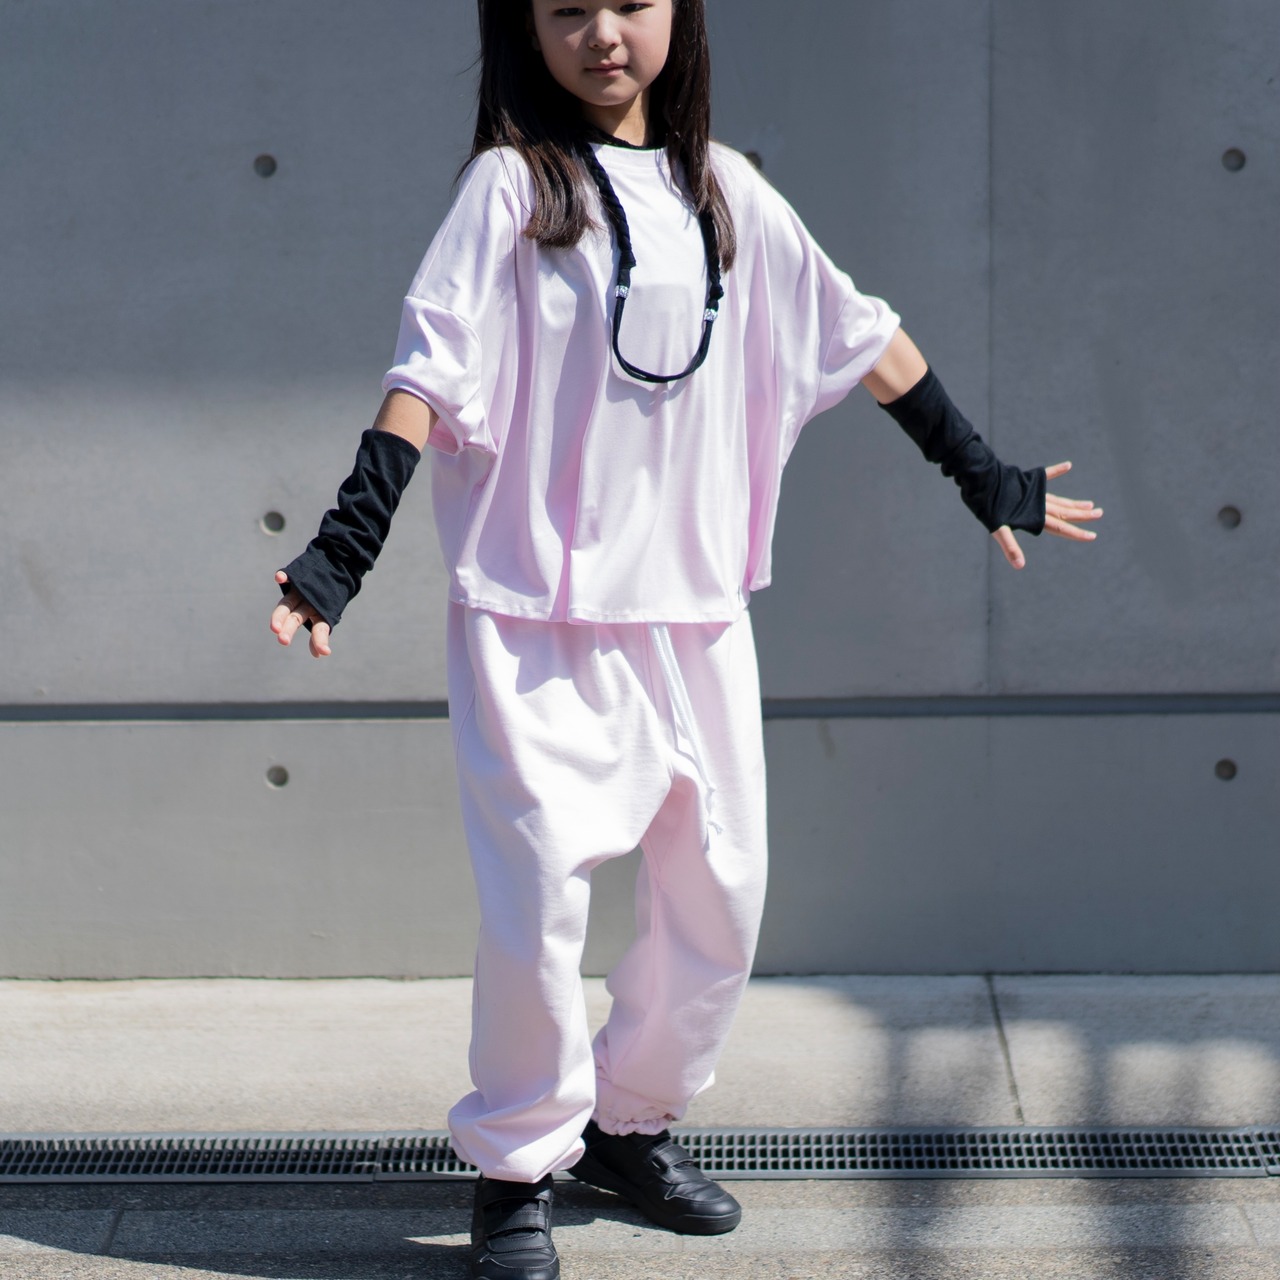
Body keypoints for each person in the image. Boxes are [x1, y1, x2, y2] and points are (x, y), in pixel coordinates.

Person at [270, 2, 1101, 1276]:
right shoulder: (508, 191)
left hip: (694, 612)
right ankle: (515, 1167)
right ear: (526, 28)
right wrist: (341, 551)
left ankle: (627, 1123)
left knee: (720, 897)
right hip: (534, 620)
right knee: (535, 908)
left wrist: (979, 472)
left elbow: (857, 330)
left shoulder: (725, 192)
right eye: (566, 10)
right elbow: (426, 373)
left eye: (629, 4)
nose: (600, 33)